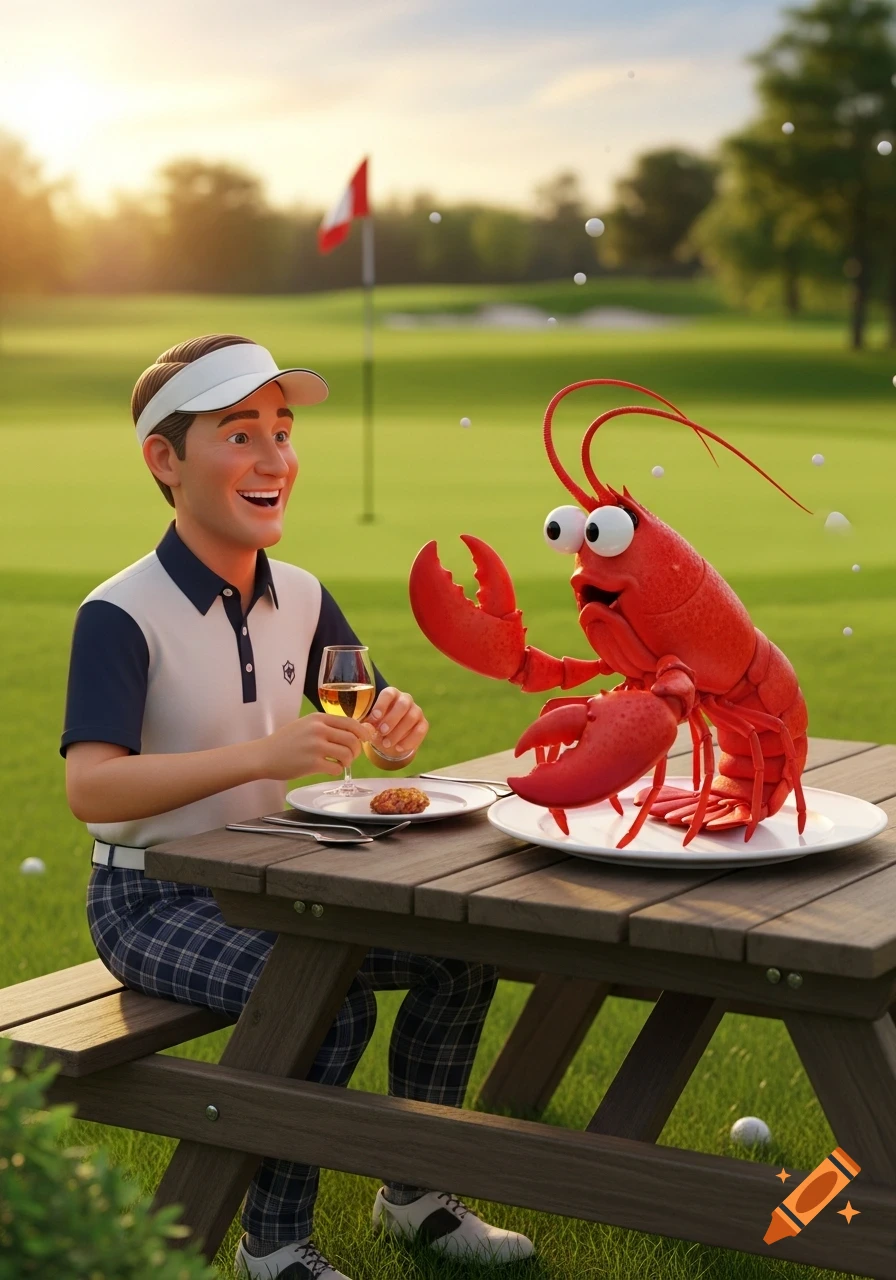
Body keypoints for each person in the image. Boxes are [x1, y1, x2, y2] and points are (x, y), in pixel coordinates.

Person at [60, 333, 534, 1280]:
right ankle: (273, 1250)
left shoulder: (305, 598)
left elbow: (367, 710)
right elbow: (92, 789)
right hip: (150, 899)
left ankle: (417, 1197)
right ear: (165, 459)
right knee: (328, 1000)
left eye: (282, 431)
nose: (275, 457)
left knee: (459, 956)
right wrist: (264, 755)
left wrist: (396, 727)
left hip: (275, 877)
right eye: (240, 434)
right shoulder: (119, 613)